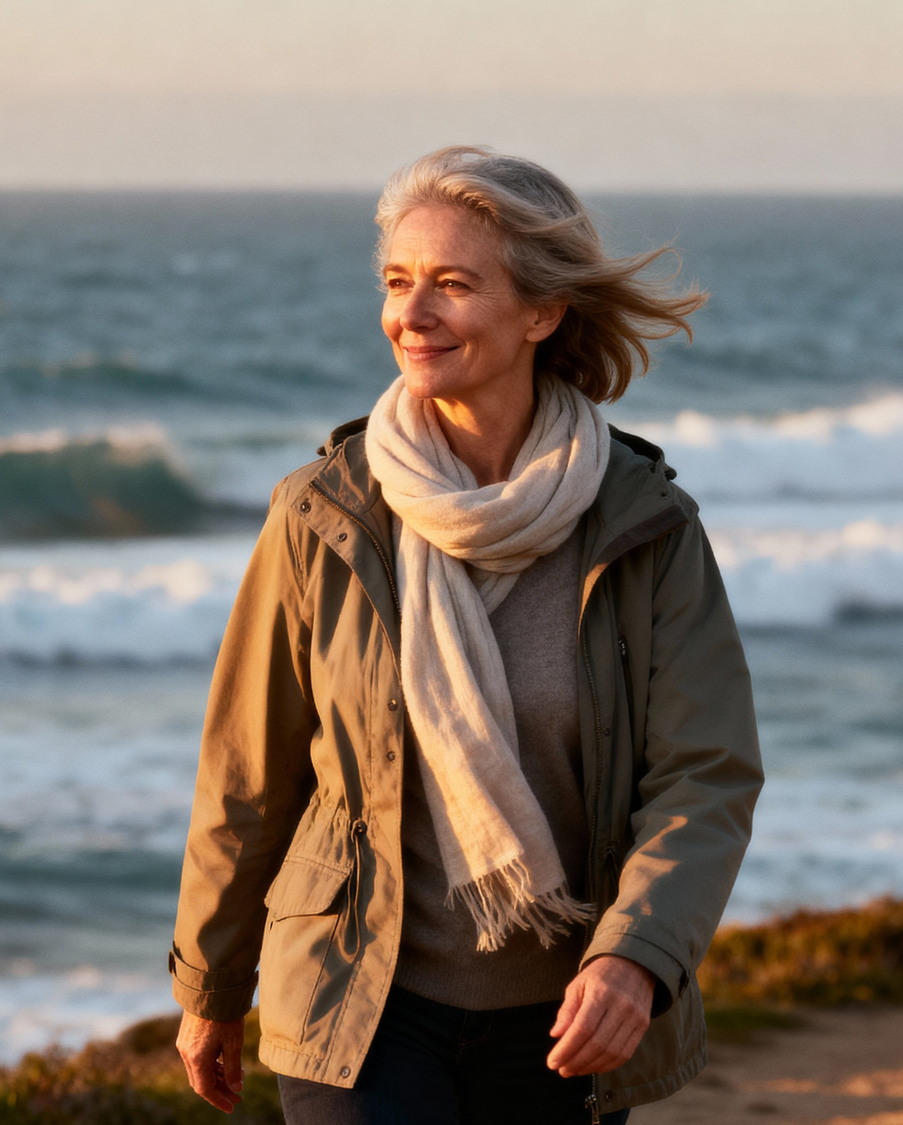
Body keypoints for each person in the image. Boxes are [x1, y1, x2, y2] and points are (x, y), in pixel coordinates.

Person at [169, 146, 763, 1124]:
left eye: (451, 283)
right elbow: (248, 769)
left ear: (542, 312)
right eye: (397, 283)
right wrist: (210, 983)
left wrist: (637, 956)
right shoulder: (325, 514)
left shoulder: (644, 525)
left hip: (566, 1018)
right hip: (358, 1003)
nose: (411, 313)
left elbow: (705, 772)